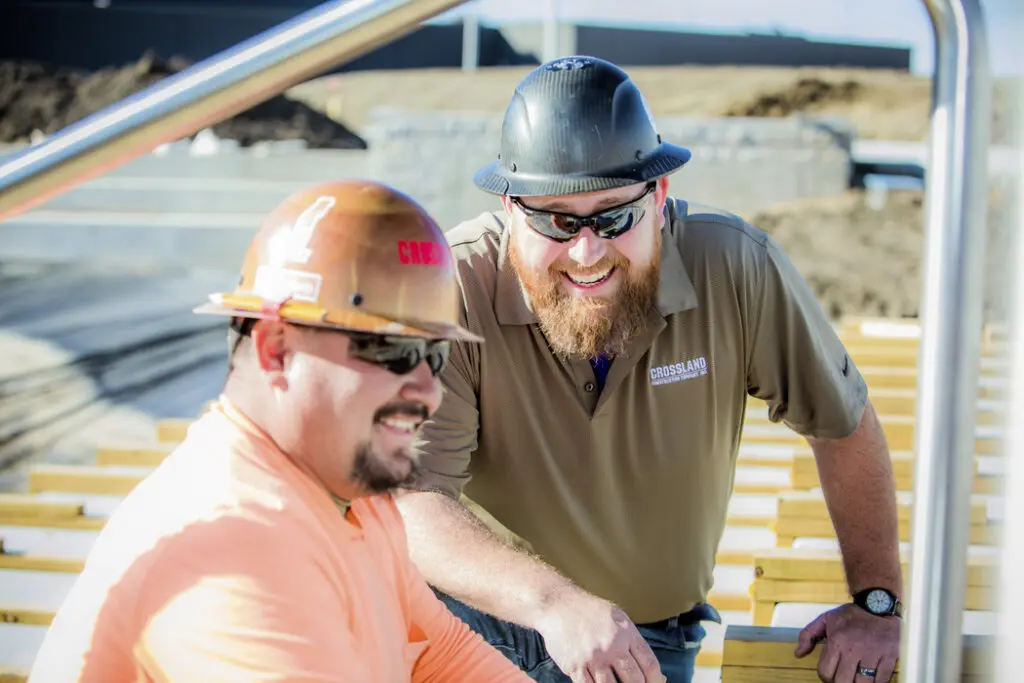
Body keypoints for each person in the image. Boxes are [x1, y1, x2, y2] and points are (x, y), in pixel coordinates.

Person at [394, 56, 904, 683]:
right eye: (555, 220)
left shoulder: (735, 269)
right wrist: (554, 605)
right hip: (474, 629)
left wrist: (878, 603)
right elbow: (412, 499)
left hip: (645, 645)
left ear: (659, 197)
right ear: (508, 208)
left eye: (614, 215)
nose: (586, 252)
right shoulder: (455, 287)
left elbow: (841, 421)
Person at [27, 180, 531, 683]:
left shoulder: (355, 496)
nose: (428, 388)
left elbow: (442, 655)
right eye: (393, 351)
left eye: (434, 354)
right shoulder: (234, 542)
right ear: (276, 350)